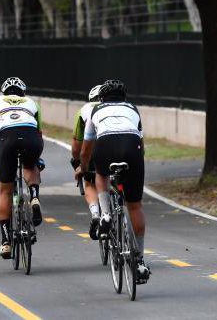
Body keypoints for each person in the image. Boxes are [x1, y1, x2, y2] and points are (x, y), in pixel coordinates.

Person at [75, 79, 150, 282]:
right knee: (134, 206)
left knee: (100, 175)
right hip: (131, 148)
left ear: (102, 97)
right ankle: (140, 261)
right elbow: (141, 145)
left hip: (105, 146)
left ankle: (106, 214)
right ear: (124, 97)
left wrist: (84, 167)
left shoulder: (96, 110)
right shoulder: (133, 108)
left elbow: (86, 148)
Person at [0, 77, 44, 259]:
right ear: (23, 93)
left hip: (7, 140)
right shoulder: (32, 103)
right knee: (30, 165)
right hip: (31, 139)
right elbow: (39, 134)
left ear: (4, 93)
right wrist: (37, 158)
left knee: (5, 191)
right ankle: (34, 196)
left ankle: (6, 242)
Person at [71, 84, 103, 240]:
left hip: (92, 151)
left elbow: (77, 144)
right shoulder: (118, 106)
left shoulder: (84, 110)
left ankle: (96, 213)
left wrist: (78, 164)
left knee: (89, 181)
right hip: (119, 149)